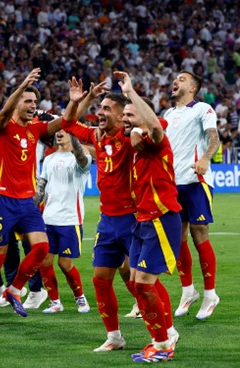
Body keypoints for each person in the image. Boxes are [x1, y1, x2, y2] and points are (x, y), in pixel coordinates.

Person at [0, 68, 61, 327]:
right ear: (16, 104)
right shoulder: (1, 127)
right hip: (1, 199)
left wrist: (82, 100)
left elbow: (64, 123)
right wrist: (22, 83)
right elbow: (3, 113)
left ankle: (14, 290)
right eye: (27, 101)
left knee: (42, 248)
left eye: (35, 102)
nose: (33, 106)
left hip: (26, 201)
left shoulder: (34, 129)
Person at [62, 81, 141, 351]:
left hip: (133, 218)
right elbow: (69, 123)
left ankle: (165, 333)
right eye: (99, 107)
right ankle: (115, 337)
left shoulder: (132, 138)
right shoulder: (97, 137)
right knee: (100, 279)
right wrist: (80, 100)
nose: (100, 112)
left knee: (141, 282)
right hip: (107, 220)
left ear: (122, 116)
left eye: (106, 108)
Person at [116, 71, 181, 363]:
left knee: (143, 284)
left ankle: (164, 343)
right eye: (124, 115)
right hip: (142, 220)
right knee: (138, 282)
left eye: (130, 114)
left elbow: (155, 125)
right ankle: (163, 337)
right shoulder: (135, 143)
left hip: (161, 218)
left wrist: (130, 92)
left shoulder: (156, 140)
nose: (125, 118)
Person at [163, 71, 220, 320]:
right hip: (173, 184)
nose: (176, 81)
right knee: (178, 237)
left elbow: (214, 139)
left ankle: (210, 294)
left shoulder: (203, 109)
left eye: (182, 79)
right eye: (175, 78)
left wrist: (205, 158)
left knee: (199, 235)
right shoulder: (168, 114)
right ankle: (188, 291)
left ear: (194, 88)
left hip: (195, 181)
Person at [35, 128, 92, 314]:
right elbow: (41, 185)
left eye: (65, 131)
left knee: (65, 264)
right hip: (48, 219)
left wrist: (76, 141)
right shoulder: (49, 159)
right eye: (58, 130)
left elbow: (82, 161)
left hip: (70, 219)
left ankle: (80, 298)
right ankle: (55, 302)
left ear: (72, 135)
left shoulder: (81, 157)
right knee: (44, 262)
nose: (60, 133)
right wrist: (32, 204)